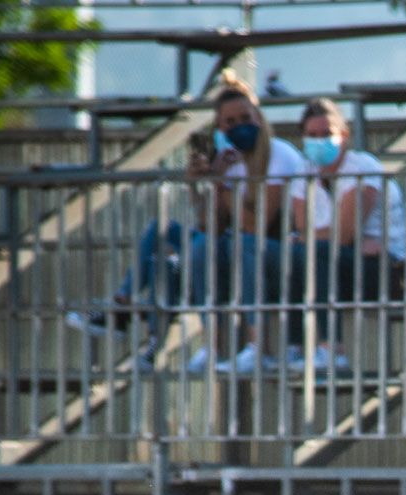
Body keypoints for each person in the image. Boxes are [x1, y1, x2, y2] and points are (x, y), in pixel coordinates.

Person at [67, 73, 317, 377]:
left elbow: (257, 226)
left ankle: (254, 347)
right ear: (219, 127)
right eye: (230, 122)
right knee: (170, 234)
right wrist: (201, 187)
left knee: (221, 246)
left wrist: (222, 184)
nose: (239, 127)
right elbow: (210, 226)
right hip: (231, 246)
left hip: (274, 252)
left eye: (245, 118)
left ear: (259, 118)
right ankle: (125, 304)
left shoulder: (280, 155)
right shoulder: (228, 159)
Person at [288, 97, 406, 377]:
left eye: (326, 134)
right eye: (311, 135)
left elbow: (343, 233)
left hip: (393, 266)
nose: (318, 141)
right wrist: (326, 238)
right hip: (345, 263)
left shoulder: (364, 166)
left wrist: (322, 237)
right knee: (294, 256)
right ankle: (294, 348)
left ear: (344, 135)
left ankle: (331, 351)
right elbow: (310, 232)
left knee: (316, 252)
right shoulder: (303, 173)